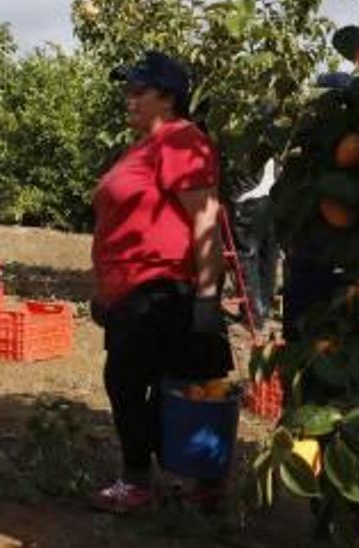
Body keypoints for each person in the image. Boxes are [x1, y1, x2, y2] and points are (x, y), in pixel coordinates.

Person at [89, 50, 232, 513]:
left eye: (138, 91)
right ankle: (193, 480)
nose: (128, 99)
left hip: (161, 289)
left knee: (134, 383)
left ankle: (142, 481)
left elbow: (205, 220)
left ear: (168, 97)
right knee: (155, 382)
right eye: (126, 90)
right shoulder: (144, 146)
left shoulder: (181, 141)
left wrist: (208, 295)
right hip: (133, 292)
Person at [226, 148, 280, 329]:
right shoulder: (271, 131)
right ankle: (263, 310)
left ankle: (254, 316)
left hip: (247, 201)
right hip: (268, 197)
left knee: (248, 258)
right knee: (267, 255)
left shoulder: (244, 138)